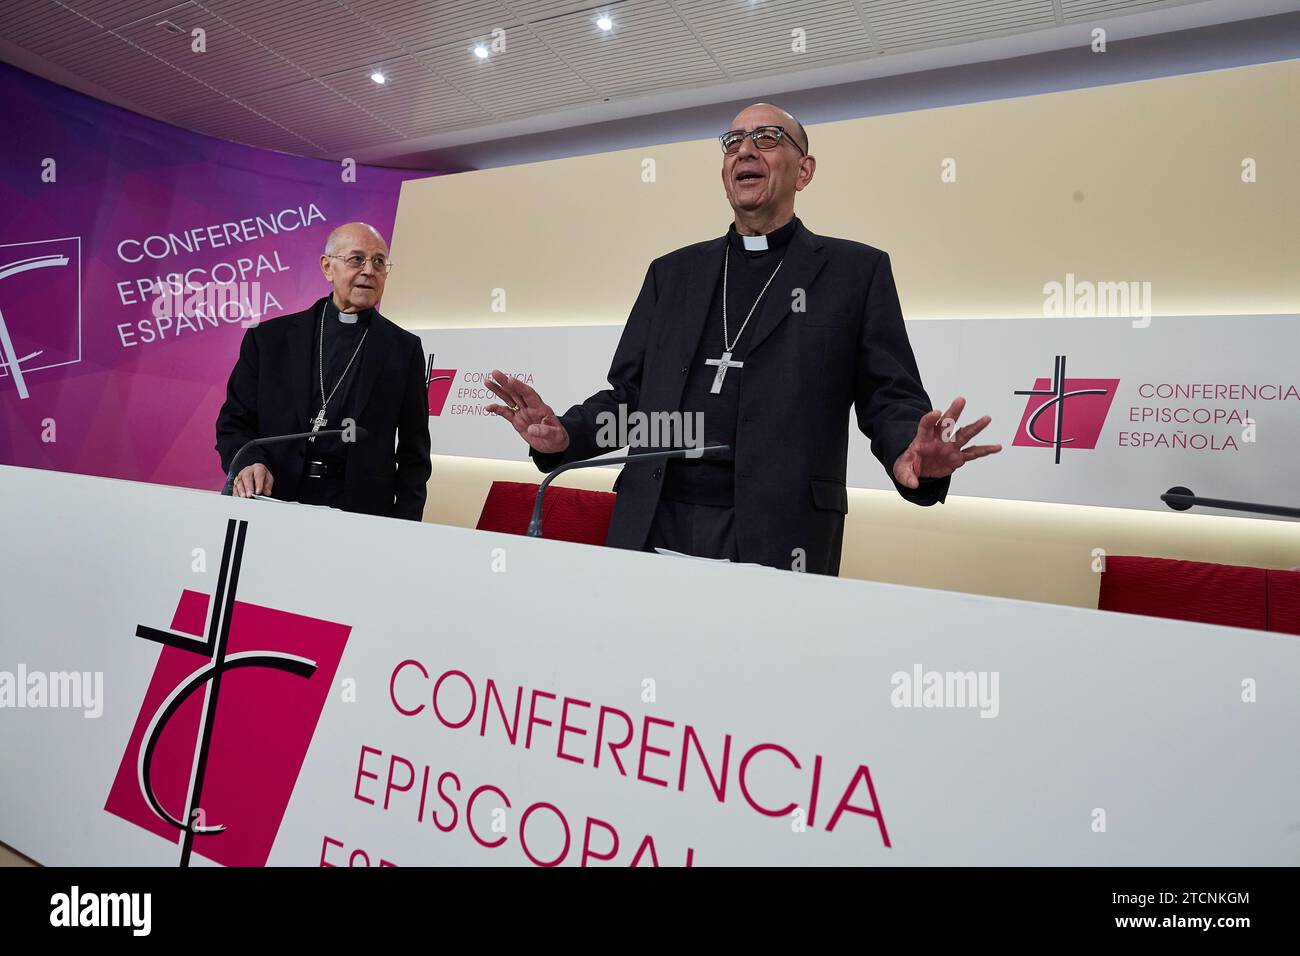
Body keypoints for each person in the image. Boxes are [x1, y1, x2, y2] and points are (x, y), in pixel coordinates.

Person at [485, 103, 999, 574]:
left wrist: (910, 453)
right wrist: (566, 435)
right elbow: (632, 397)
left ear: (805, 170)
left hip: (780, 535)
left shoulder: (854, 273)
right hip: (653, 525)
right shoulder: (673, 274)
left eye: (768, 138)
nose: (745, 150)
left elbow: (889, 396)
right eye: (732, 143)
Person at [215, 222, 431, 520]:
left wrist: (405, 526)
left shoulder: (403, 350)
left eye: (379, 261)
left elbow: (414, 453)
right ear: (327, 267)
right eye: (356, 259)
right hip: (272, 499)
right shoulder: (268, 339)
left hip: (360, 512)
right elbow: (233, 423)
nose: (369, 270)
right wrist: (249, 462)